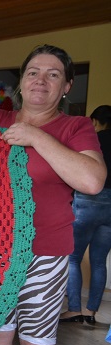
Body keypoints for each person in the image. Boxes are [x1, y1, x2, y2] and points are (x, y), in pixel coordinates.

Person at [0, 45, 106, 345]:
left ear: (67, 86)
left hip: (45, 253)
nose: (40, 80)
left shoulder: (75, 127)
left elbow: (92, 180)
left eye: (53, 74)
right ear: (21, 81)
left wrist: (35, 136)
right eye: (33, 72)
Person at [60, 105, 111, 326]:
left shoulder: (92, 140)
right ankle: (91, 313)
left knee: (73, 257)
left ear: (96, 122)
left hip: (87, 201)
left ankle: (74, 310)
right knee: (99, 262)